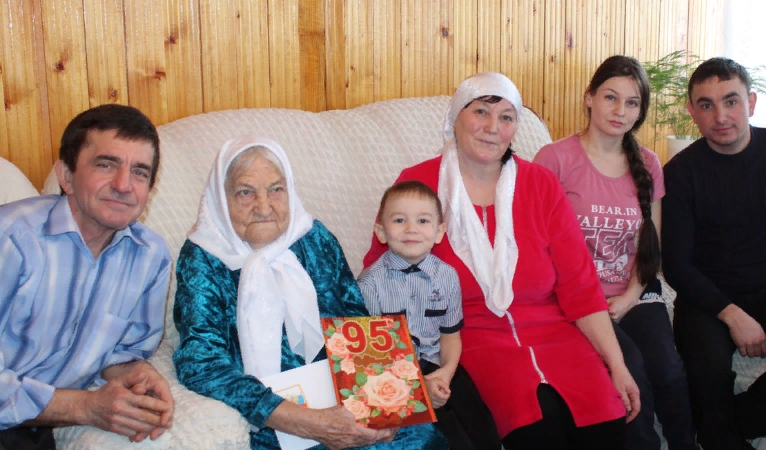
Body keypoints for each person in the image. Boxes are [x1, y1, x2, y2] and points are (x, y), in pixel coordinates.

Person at [363, 72, 640, 450]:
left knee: (606, 422)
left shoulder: (541, 184)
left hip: (555, 332)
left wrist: (617, 365)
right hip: (468, 338)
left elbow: (581, 287)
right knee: (537, 428)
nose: (493, 127)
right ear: (456, 118)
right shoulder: (418, 184)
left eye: (506, 117)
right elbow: (375, 279)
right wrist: (385, 393)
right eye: (480, 112)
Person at [172, 136, 447, 450]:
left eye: (276, 189)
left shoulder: (314, 236)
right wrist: (306, 422)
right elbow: (201, 363)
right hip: (273, 418)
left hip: (344, 398)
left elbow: (356, 320)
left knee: (420, 438)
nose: (264, 206)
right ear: (222, 198)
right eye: (245, 192)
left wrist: (387, 406)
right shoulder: (203, 256)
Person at [534, 55, 696, 450]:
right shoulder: (554, 159)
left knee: (669, 370)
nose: (620, 110)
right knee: (630, 371)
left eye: (632, 102)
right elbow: (538, 246)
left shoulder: (649, 164)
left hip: (635, 291)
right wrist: (587, 304)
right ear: (589, 97)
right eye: (610, 97)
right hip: (576, 301)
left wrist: (628, 298)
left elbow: (650, 246)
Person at [0, 104, 174, 449]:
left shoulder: (150, 257)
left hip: (34, 429)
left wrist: (138, 374)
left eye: (139, 172)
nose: (123, 185)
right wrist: (84, 407)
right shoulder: (11, 240)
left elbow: (123, 354)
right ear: (66, 176)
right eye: (106, 165)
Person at [662, 57, 766, 450]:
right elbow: (676, 264)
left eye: (731, 101)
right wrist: (732, 314)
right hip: (707, 298)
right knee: (706, 374)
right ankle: (715, 428)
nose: (720, 116)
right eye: (706, 105)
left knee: (717, 418)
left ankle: (720, 428)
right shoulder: (680, 172)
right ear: (692, 111)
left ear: (751, 102)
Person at [359, 180, 502, 450]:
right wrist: (418, 387)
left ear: (439, 232)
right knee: (449, 439)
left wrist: (446, 373)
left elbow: (450, 336)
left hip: (440, 365)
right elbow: (372, 361)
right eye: (399, 220)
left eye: (423, 221)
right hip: (393, 377)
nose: (411, 228)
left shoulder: (447, 276)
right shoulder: (369, 285)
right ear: (381, 232)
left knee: (481, 428)